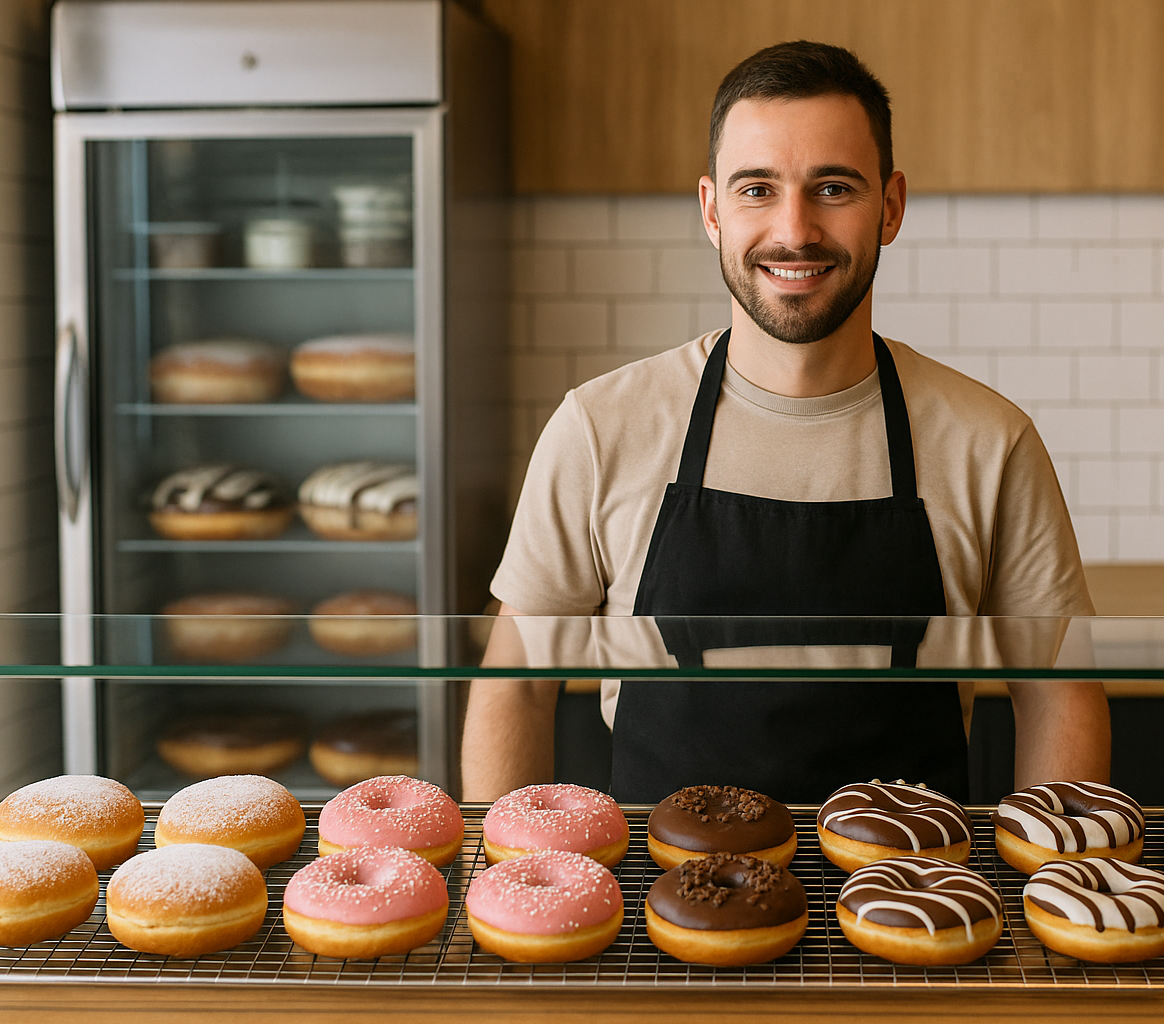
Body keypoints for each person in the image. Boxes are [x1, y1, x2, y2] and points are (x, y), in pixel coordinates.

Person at [464, 40, 1109, 803]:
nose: (794, 229)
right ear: (712, 210)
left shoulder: (989, 442)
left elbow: (1060, 693)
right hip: (660, 904)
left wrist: (1062, 884)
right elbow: (516, 686)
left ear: (891, 206)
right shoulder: (600, 428)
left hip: (914, 904)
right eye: (757, 189)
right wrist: (498, 883)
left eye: (833, 188)